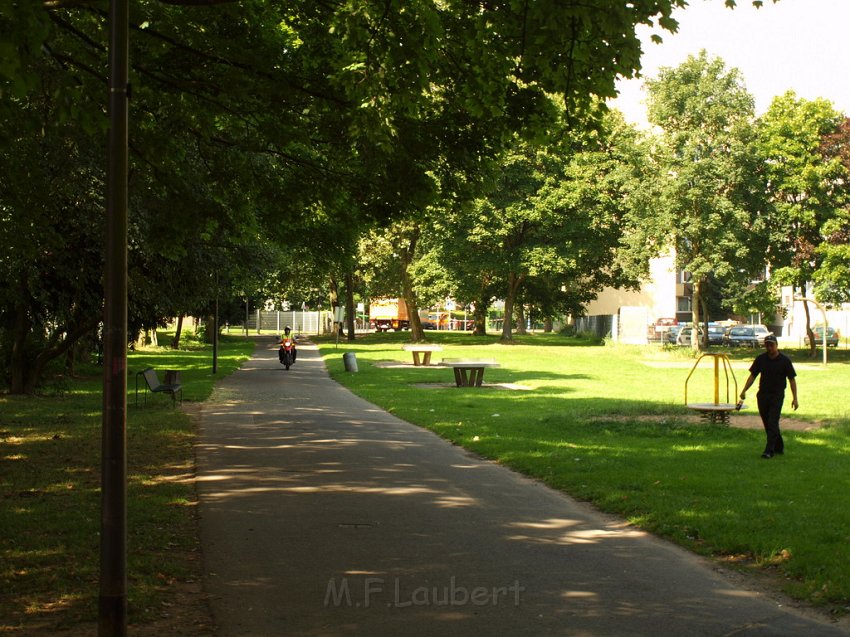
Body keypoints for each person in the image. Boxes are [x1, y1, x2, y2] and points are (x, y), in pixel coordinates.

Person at [739, 334, 798, 459]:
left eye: (771, 345)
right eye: (767, 345)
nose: (769, 347)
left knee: (772, 421)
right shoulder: (761, 359)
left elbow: (792, 380)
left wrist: (795, 398)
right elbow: (752, 376)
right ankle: (779, 446)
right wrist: (744, 390)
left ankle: (769, 450)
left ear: (776, 345)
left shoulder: (785, 360)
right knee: (768, 422)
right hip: (763, 395)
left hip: (777, 395)